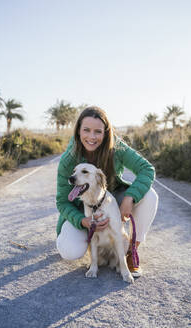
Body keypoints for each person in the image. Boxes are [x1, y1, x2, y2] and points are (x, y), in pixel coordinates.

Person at [56, 106, 158, 277]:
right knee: (70, 251)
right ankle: (81, 240)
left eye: (98, 131)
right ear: (78, 131)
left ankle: (132, 252)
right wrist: (83, 221)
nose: (92, 137)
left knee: (150, 196)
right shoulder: (69, 159)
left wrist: (130, 197)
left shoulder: (116, 147)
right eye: (86, 130)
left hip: (112, 199)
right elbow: (62, 202)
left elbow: (147, 169)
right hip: (83, 210)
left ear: (106, 132)